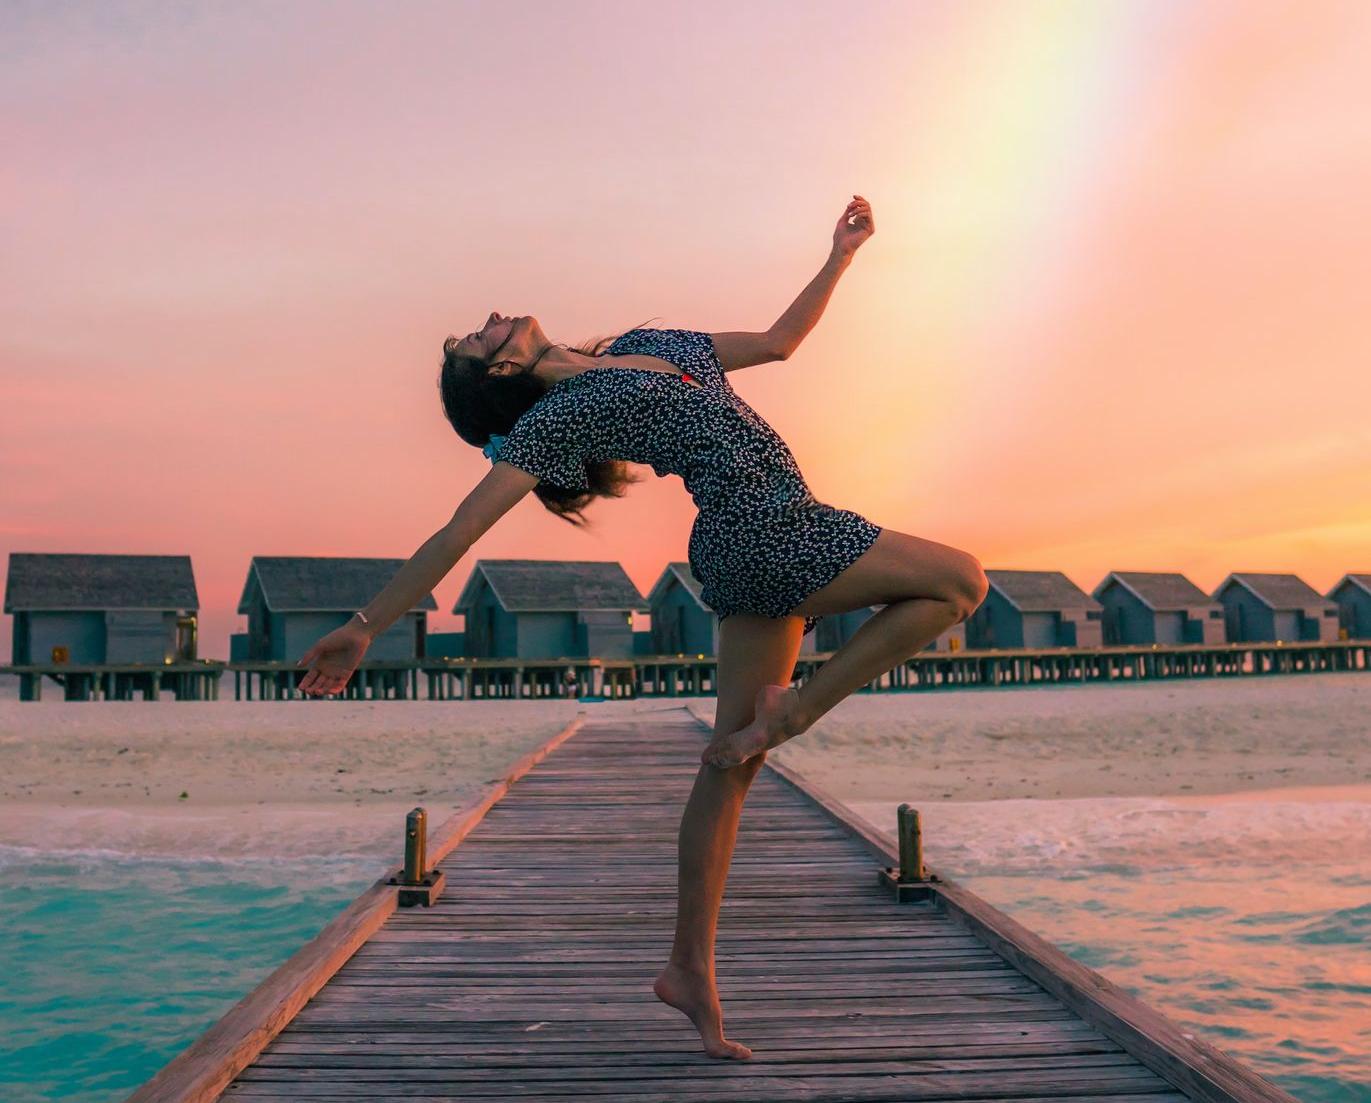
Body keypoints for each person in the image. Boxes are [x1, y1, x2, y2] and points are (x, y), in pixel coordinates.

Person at [296, 195, 989, 1060]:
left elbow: (778, 341)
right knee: (960, 580)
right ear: (502, 374)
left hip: (751, 545)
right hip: (769, 531)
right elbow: (458, 532)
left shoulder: (658, 346)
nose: (492, 318)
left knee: (730, 764)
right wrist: (365, 625)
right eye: (482, 337)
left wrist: (839, 256)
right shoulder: (561, 416)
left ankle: (687, 969)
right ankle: (797, 710)